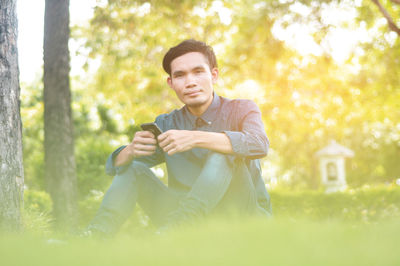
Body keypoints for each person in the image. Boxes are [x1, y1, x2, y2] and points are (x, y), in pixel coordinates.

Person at [87, 39, 272, 236]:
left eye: (198, 72)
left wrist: (195, 138)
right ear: (171, 83)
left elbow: (259, 144)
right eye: (180, 75)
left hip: (240, 216)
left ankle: (180, 228)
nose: (190, 82)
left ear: (214, 75)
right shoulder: (167, 124)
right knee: (133, 168)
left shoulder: (242, 109)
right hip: (175, 216)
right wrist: (130, 150)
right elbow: (117, 167)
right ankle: (95, 235)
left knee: (223, 152)